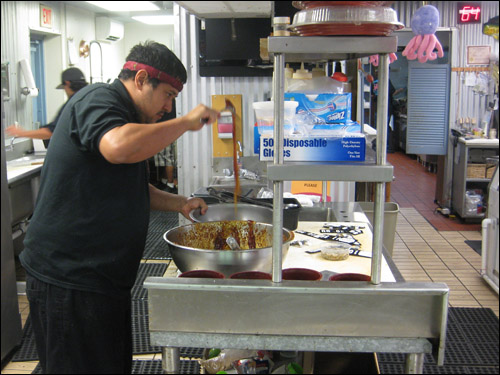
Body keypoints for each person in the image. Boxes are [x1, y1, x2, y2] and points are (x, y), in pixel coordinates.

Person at [19, 41, 219, 374]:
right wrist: (185, 122)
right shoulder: (98, 100)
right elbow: (117, 148)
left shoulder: (124, 117)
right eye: (168, 94)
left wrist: (181, 203)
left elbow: (132, 187)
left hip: (101, 279)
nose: (169, 108)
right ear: (141, 79)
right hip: (69, 277)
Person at [5, 67, 88, 148]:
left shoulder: (72, 104)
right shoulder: (91, 98)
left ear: (67, 83)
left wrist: (21, 133)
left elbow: (50, 132)